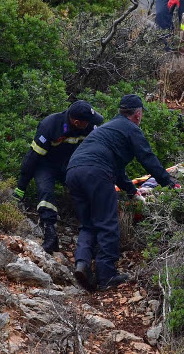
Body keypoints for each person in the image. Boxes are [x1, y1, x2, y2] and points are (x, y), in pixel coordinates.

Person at [66, 95, 176, 291]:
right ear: (138, 114)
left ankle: (82, 264)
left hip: (73, 170)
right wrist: (169, 184)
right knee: (107, 223)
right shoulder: (131, 128)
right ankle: (106, 276)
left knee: (88, 224)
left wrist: (132, 191)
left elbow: (117, 170)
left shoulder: (109, 129)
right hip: (96, 172)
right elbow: (147, 158)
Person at [15, 100, 104, 253]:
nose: (91, 123)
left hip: (71, 164)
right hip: (46, 165)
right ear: (77, 122)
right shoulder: (50, 125)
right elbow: (33, 157)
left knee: (87, 191)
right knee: (45, 193)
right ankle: (50, 234)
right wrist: (21, 187)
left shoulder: (90, 126)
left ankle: (94, 237)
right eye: (88, 121)